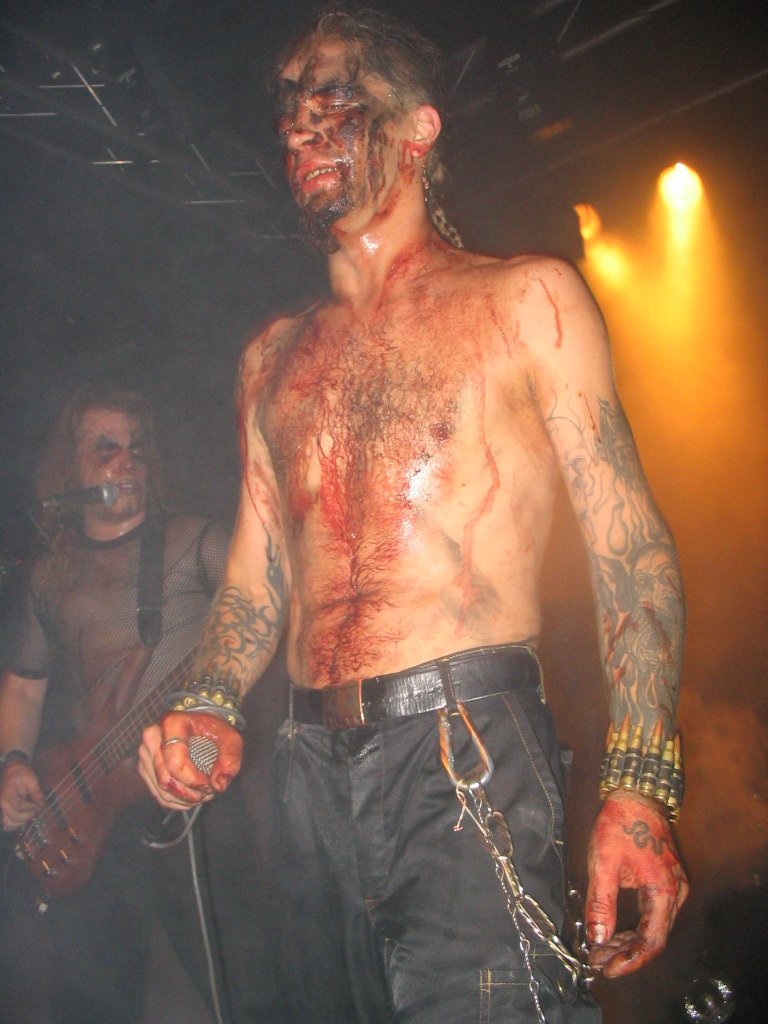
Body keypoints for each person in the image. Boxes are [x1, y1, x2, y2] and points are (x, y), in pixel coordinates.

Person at [138, 10, 689, 1023]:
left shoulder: (528, 302)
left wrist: (640, 782)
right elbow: (255, 581)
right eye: (289, 112)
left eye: (334, 102)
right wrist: (210, 698)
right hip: (307, 774)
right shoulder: (271, 359)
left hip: (464, 751)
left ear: (420, 128)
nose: (301, 129)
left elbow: (631, 549)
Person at [0, 382, 281, 1024]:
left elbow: (264, 607)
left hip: (192, 785)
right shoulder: (50, 574)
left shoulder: (196, 541)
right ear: (71, 467)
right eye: (105, 448)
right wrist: (13, 760)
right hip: (88, 804)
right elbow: (23, 685)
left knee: (244, 985)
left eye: (136, 447)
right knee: (91, 996)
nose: (126, 461)